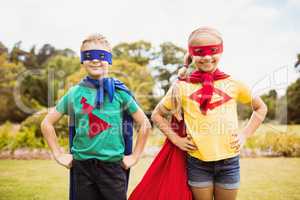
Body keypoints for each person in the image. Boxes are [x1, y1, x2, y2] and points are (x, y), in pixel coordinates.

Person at [150, 27, 268, 200]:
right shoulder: (182, 86)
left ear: (221, 51)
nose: (206, 57)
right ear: (192, 54)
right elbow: (157, 115)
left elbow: (261, 108)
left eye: (212, 50)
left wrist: (244, 134)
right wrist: (176, 140)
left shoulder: (233, 83)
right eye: (199, 52)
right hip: (198, 163)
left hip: (229, 162)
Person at [41, 34, 151, 200]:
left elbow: (145, 124)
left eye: (101, 56)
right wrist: (58, 154)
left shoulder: (120, 93)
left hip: (113, 167)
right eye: (88, 56)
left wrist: (135, 156)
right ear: (82, 60)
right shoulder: (74, 93)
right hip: (82, 167)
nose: (94, 60)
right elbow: (47, 123)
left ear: (109, 60)